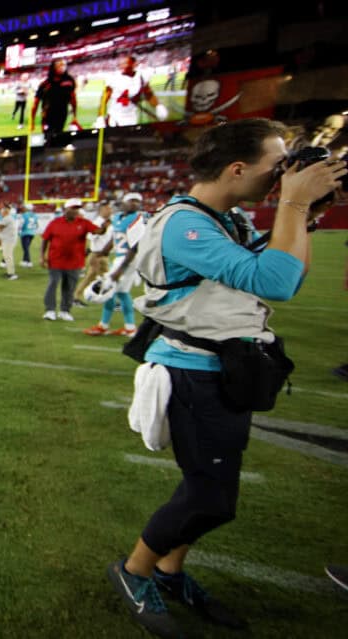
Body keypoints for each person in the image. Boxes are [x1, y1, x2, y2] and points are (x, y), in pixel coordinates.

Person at [107, 118, 345, 639]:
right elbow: (277, 282)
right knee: (210, 497)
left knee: (212, 487)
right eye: (275, 167)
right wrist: (295, 205)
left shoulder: (224, 216)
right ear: (237, 169)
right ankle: (134, 570)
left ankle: (168, 570)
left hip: (224, 368)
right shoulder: (183, 223)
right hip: (194, 374)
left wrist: (305, 211)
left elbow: (284, 269)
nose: (280, 177)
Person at [84, 193, 142, 335]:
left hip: (128, 259)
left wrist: (120, 270)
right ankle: (130, 328)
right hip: (120, 257)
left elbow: (135, 247)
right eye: (131, 201)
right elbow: (114, 239)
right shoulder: (117, 218)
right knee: (122, 293)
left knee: (107, 291)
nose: (134, 203)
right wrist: (103, 252)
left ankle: (103, 326)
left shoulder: (138, 219)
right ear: (123, 203)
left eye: (137, 201)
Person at [41, 198, 104, 321]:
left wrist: (104, 224)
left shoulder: (84, 223)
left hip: (74, 262)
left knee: (69, 287)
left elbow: (98, 231)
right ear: (66, 209)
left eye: (77, 209)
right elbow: (45, 239)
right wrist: (42, 256)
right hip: (56, 260)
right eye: (73, 208)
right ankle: (50, 310)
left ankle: (65, 310)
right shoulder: (55, 222)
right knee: (52, 284)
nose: (75, 211)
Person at [95, 55, 168, 129]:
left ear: (134, 64)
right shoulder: (114, 78)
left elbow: (148, 94)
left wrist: (158, 106)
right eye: (121, 64)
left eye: (125, 63)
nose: (122, 66)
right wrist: (100, 117)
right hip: (115, 116)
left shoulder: (141, 77)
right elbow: (104, 98)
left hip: (132, 116)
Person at [74, 201, 113, 303]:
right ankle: (76, 296)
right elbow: (91, 236)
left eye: (110, 209)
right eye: (107, 209)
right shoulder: (97, 223)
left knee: (106, 278)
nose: (110, 211)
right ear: (101, 210)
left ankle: (108, 299)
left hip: (103, 255)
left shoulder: (109, 222)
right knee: (93, 277)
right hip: (97, 255)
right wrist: (102, 229)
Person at [31, 58, 78, 137]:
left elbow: (73, 99)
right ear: (53, 67)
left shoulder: (69, 81)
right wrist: (32, 121)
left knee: (58, 135)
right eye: (59, 65)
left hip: (62, 114)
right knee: (47, 137)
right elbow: (36, 103)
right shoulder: (45, 84)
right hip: (47, 116)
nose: (62, 67)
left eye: (63, 65)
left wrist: (74, 116)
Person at [0, 205, 19, 280]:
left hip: (8, 240)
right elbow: (1, 229)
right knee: (7, 256)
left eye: (2, 212)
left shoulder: (7, 218)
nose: (1, 213)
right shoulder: (8, 218)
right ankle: (9, 272)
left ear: (5, 212)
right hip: (8, 240)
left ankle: (11, 274)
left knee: (8, 257)